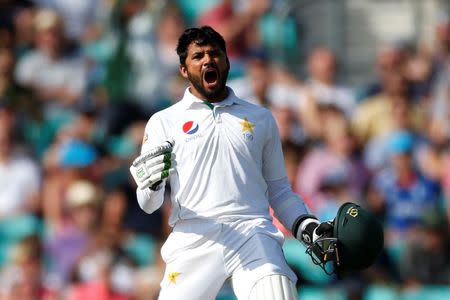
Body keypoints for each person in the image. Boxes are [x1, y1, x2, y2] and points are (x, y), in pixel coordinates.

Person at [129, 26, 332, 300]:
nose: (208, 60)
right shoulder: (164, 121)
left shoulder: (260, 118)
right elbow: (149, 204)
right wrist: (152, 185)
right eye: (198, 56)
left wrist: (305, 225)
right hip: (194, 236)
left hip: (252, 231)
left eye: (214, 53)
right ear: (184, 70)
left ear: (226, 61)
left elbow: (280, 191)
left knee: (278, 292)